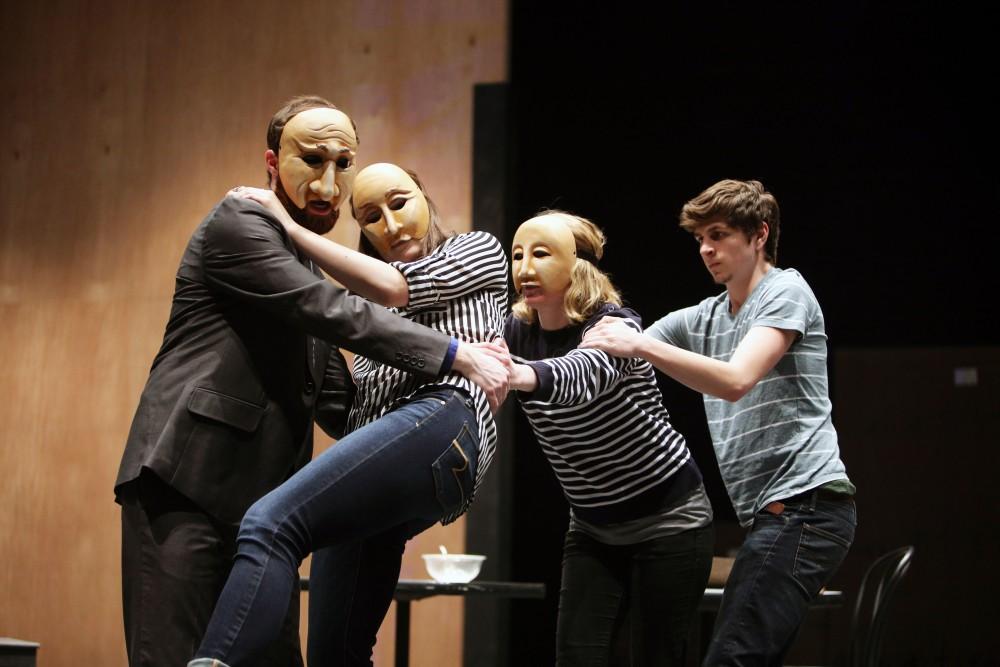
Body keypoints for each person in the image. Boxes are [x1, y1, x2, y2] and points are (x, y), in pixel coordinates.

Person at [115, 97, 507, 667]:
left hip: (263, 514)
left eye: (341, 164)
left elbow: (338, 402)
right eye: (311, 160)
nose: (327, 183)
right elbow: (329, 309)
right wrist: (455, 355)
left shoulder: (314, 261)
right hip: (187, 483)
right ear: (273, 164)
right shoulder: (242, 220)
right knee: (175, 655)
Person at [582, 179, 856, 666]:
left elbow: (735, 379)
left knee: (731, 658)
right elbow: (631, 337)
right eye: (700, 240)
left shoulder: (785, 291)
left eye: (719, 234)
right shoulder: (708, 316)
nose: (706, 249)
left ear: (759, 235)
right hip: (775, 516)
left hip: (808, 508)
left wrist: (638, 344)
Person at [504, 211, 714, 666]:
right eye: (518, 254)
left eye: (541, 254)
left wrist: (517, 374)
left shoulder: (615, 327)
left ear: (576, 264)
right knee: (575, 657)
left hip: (670, 519)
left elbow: (577, 377)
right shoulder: (516, 333)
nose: (524, 268)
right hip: (594, 525)